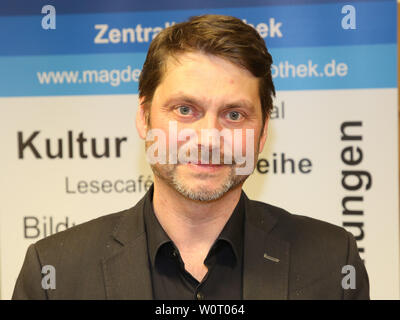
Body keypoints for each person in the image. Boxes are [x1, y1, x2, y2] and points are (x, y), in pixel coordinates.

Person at [12, 14, 369, 300]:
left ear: (261, 135)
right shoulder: (55, 272)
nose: (209, 138)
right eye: (185, 109)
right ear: (144, 117)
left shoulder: (333, 261)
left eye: (234, 115)